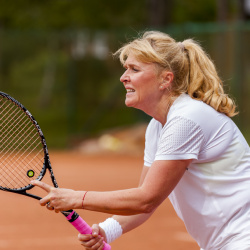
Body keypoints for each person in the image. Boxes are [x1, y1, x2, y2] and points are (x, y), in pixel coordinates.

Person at [31, 31, 250, 250]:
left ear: (166, 79)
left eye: (134, 69)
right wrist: (106, 231)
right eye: (126, 68)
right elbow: (144, 200)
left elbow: (146, 199)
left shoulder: (187, 119)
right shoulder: (157, 127)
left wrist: (77, 198)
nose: (123, 77)